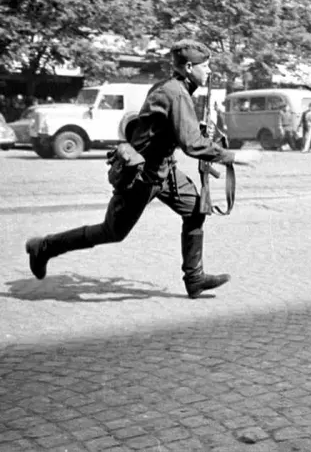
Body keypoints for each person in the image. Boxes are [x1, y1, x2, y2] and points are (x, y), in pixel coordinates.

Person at [24, 40, 260, 298]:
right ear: (190, 67)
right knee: (111, 232)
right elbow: (191, 144)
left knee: (195, 210)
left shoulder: (172, 88)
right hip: (140, 176)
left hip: (165, 171)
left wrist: (193, 130)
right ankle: (44, 247)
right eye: (206, 66)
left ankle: (195, 279)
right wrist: (234, 156)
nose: (210, 71)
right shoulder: (176, 93)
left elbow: (163, 129)